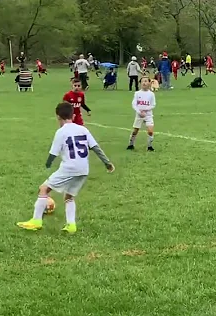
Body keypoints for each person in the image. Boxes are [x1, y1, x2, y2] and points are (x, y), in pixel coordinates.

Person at [16, 102, 115, 233]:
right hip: (83, 169)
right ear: (73, 116)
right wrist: (107, 163)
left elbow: (53, 153)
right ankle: (71, 225)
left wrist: (48, 163)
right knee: (69, 197)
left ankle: (36, 221)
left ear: (58, 117)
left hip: (69, 168)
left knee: (44, 189)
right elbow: (96, 148)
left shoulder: (61, 132)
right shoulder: (83, 129)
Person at [127, 77, 157, 152]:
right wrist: (140, 111)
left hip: (148, 115)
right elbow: (134, 104)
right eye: (142, 81)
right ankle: (131, 144)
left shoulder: (151, 94)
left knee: (150, 131)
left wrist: (145, 110)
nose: (144, 83)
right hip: (139, 115)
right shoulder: (137, 93)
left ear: (149, 83)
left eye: (146, 81)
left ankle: (150, 146)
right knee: (135, 131)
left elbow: (153, 105)